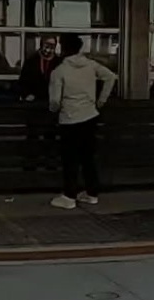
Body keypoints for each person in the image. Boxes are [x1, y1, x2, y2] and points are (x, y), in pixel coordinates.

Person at [44, 38, 116, 210]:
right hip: (90, 116)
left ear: (63, 49)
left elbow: (54, 101)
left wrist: (55, 109)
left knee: (70, 159)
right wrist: (101, 100)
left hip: (69, 119)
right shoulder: (91, 65)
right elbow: (111, 77)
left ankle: (69, 196)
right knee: (87, 157)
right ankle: (92, 193)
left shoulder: (59, 71)